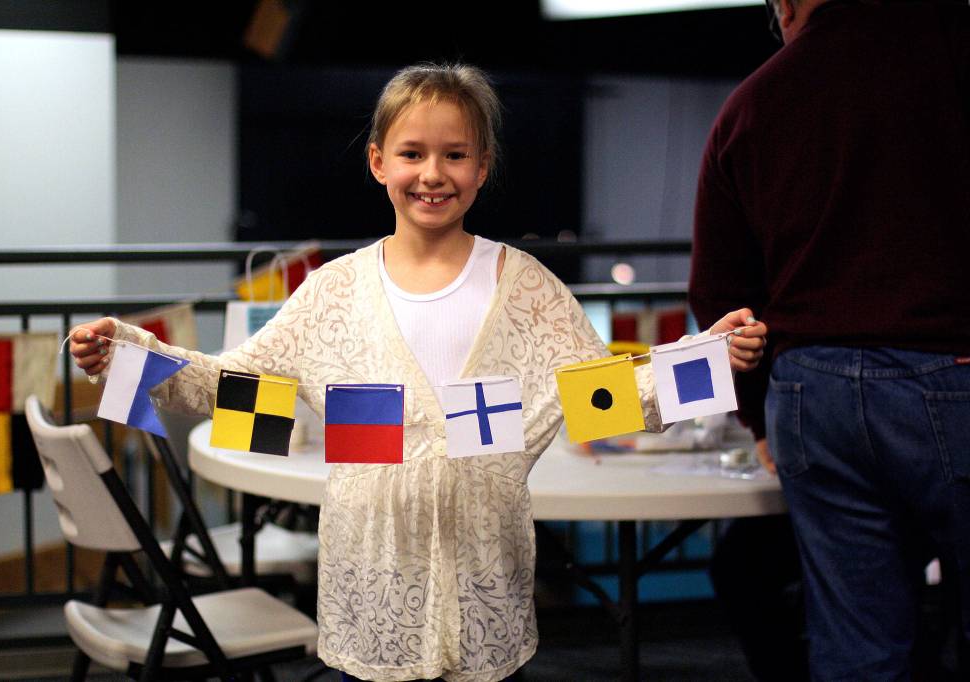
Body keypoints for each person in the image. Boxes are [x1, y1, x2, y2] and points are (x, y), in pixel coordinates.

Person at [71, 63, 767, 682]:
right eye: (413, 153)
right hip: (371, 594)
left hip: (485, 590)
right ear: (378, 162)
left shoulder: (522, 286)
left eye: (454, 154)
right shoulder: (334, 294)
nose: (433, 173)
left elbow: (605, 397)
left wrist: (708, 358)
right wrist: (127, 354)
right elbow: (233, 388)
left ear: (483, 166)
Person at [689, 1, 970, 680]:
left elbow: (721, 297)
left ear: (785, 4)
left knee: (859, 650)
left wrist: (756, 415)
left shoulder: (752, 103)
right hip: (955, 374)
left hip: (812, 396)